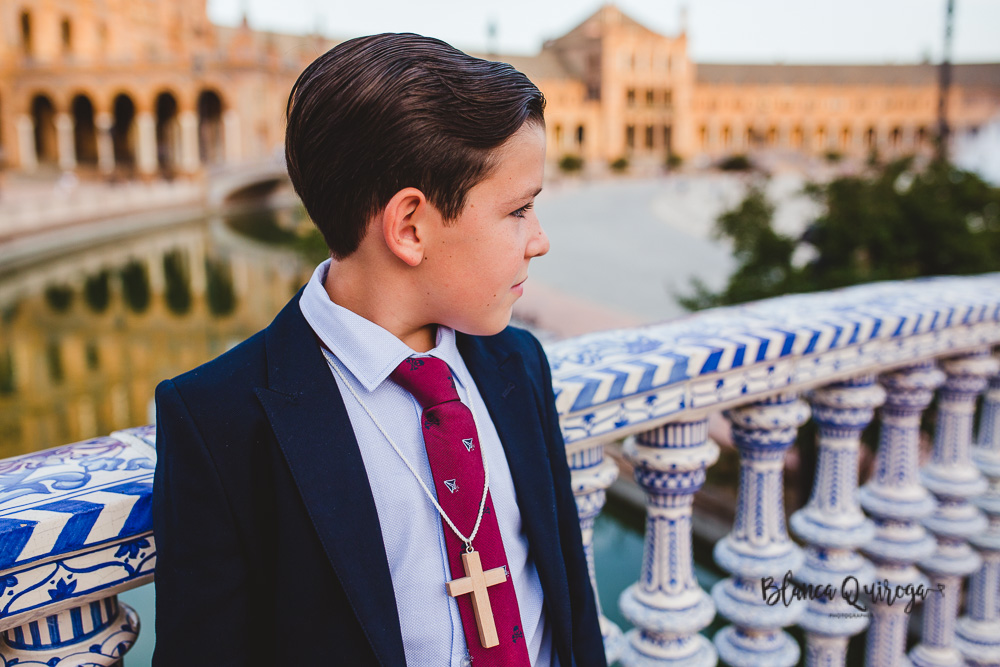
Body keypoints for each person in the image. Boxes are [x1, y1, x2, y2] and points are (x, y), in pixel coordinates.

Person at [152, 33, 606, 666]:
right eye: (519, 211)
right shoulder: (219, 420)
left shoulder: (517, 364)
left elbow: (568, 600)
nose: (540, 240)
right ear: (410, 227)